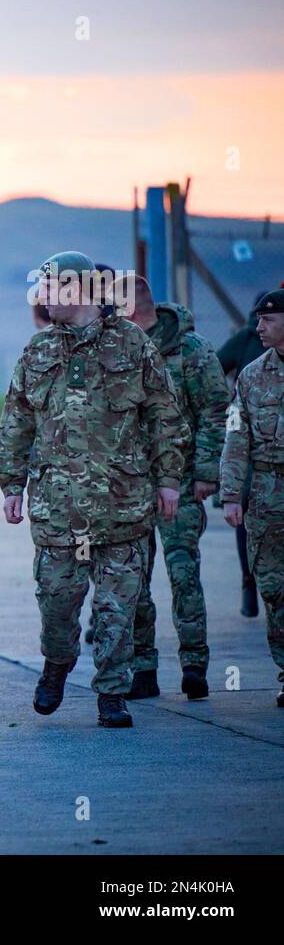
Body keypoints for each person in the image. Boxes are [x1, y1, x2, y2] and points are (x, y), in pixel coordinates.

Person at [0, 251, 189, 729]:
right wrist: (11, 485)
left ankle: (112, 693)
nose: (40, 297)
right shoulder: (37, 351)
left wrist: (168, 480)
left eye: (48, 287)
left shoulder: (132, 345)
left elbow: (165, 416)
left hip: (123, 503)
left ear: (76, 289)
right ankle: (57, 665)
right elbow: (15, 423)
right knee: (58, 606)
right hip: (59, 511)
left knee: (117, 608)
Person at [117, 276, 228, 701]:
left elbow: (215, 411)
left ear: (132, 305)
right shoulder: (120, 348)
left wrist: (205, 472)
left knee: (183, 573)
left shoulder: (192, 349)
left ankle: (194, 664)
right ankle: (143, 667)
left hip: (179, 481)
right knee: (133, 580)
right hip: (129, 486)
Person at [221, 287, 284, 708]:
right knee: (275, 587)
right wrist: (231, 493)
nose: (258, 327)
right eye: (259, 320)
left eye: (268, 320)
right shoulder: (252, 374)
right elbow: (235, 437)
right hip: (266, 492)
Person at [219, 296, 270, 618]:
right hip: (255, 459)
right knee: (247, 522)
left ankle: (255, 582)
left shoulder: (250, 338)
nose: (263, 326)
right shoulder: (248, 345)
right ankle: (249, 581)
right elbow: (215, 367)